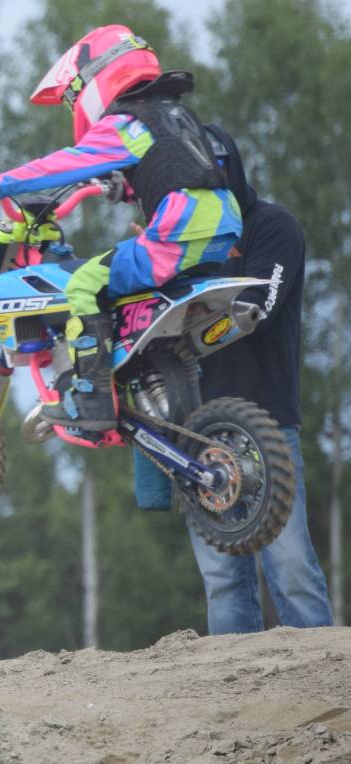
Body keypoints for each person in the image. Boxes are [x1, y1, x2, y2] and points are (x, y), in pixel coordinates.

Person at [0, 25, 241, 432]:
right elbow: (180, 166)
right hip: (224, 226)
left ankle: (91, 398)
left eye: (74, 95)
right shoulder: (174, 114)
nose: (75, 105)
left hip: (180, 232)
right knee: (128, 282)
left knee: (84, 283)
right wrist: (128, 187)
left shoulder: (126, 122)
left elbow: (61, 165)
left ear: (98, 78)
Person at [185, 125, 334, 634]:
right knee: (223, 575)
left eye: (215, 168)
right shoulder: (174, 243)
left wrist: (183, 331)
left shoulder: (272, 226)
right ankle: (232, 697)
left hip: (266, 421)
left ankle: (330, 684)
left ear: (233, 166)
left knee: (289, 564)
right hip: (198, 431)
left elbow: (255, 310)